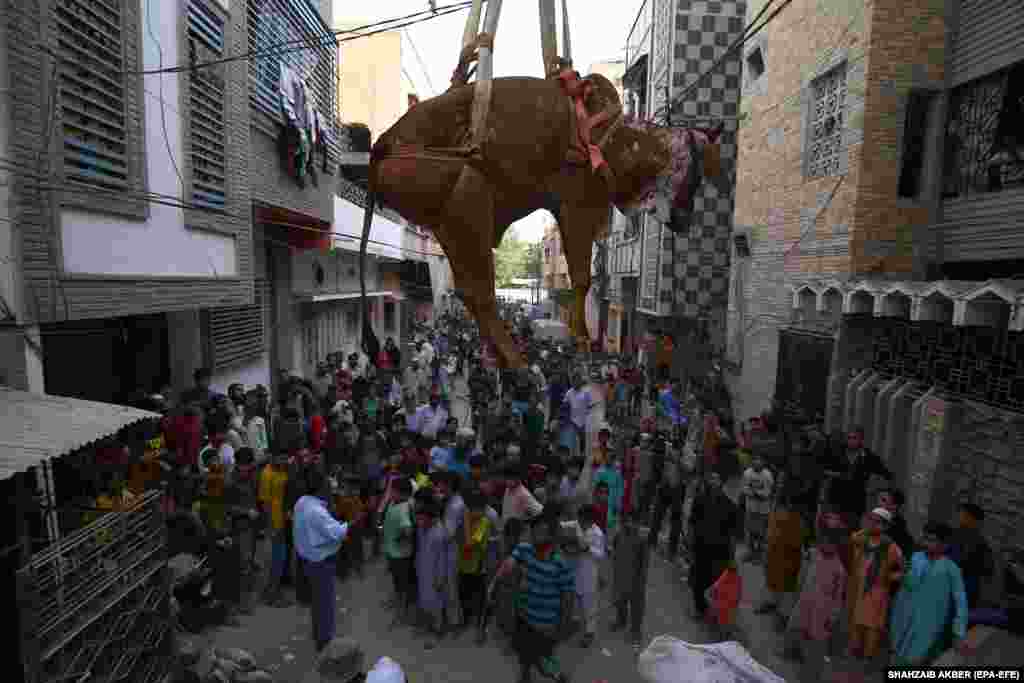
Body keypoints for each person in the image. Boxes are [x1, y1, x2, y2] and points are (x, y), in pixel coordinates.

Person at [495, 511, 574, 683]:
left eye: (541, 532)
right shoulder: (524, 549)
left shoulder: (561, 563)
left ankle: (557, 675)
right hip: (525, 617)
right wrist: (503, 572)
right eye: (534, 531)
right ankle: (525, 676)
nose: (537, 535)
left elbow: (568, 597)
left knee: (546, 658)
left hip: (547, 623)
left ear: (551, 536)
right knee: (524, 655)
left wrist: (565, 623)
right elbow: (509, 563)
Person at [889, 521, 969, 667]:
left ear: (945, 545)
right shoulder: (915, 558)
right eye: (925, 538)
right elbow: (908, 585)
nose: (926, 543)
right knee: (897, 659)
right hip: (903, 620)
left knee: (917, 660)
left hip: (929, 625)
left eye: (931, 540)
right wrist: (901, 576)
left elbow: (961, 601)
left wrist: (959, 632)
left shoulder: (951, 569)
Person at [293, 467, 349, 653]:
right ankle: (325, 643)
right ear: (321, 487)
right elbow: (336, 533)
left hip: (308, 560)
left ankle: (319, 635)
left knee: (317, 603)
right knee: (325, 604)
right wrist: (350, 523)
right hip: (320, 563)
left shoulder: (302, 502)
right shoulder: (316, 511)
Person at [846, 507, 905, 662]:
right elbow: (853, 539)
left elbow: (902, 570)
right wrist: (865, 530)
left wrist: (888, 578)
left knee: (872, 627)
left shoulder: (891, 547)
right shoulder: (861, 540)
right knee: (856, 621)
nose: (873, 525)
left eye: (877, 523)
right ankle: (854, 654)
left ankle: (867, 657)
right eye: (871, 521)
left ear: (886, 527)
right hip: (859, 588)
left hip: (878, 592)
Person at [793, 521, 847, 683]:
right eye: (822, 541)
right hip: (806, 608)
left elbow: (838, 598)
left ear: (836, 546)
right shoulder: (814, 555)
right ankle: (804, 674)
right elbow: (804, 580)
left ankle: (812, 677)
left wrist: (832, 618)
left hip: (822, 616)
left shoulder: (839, 570)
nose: (825, 545)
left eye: (829, 543)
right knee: (804, 644)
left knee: (816, 650)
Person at [689, 472, 740, 619]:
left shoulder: (730, 506)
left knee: (715, 582)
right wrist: (690, 544)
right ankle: (700, 610)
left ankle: (714, 611)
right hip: (700, 547)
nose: (713, 481)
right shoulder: (699, 500)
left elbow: (732, 535)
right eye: (711, 478)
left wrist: (732, 557)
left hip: (720, 551)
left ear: (721, 482)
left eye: (716, 478)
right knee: (698, 581)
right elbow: (692, 523)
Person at [611, 511, 650, 651]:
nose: (628, 524)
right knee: (620, 601)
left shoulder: (642, 539)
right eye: (626, 521)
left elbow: (644, 563)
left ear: (637, 523)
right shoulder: (619, 535)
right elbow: (614, 552)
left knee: (636, 606)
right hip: (621, 576)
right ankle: (621, 621)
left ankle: (635, 632)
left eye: (632, 521)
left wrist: (640, 580)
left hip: (636, 579)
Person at [458, 488, 494, 639]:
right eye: (472, 509)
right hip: (463, 565)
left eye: (478, 509)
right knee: (464, 595)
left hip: (478, 567)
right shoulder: (464, 519)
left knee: (480, 599)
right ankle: (466, 620)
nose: (475, 513)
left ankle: (481, 628)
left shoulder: (484, 523)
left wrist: (467, 521)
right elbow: (458, 539)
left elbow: (469, 544)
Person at [415, 495, 448, 650]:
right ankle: (430, 627)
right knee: (427, 601)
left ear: (431, 518)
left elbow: (442, 560)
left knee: (436, 604)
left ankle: (437, 631)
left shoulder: (439, 534)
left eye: (422, 519)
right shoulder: (423, 529)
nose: (419, 522)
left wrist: (440, 579)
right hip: (424, 570)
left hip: (435, 575)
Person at [572, 503, 606, 648]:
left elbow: (601, 554)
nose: (580, 522)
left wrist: (588, 549)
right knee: (577, 601)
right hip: (576, 570)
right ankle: (577, 626)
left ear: (590, 520)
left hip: (590, 573)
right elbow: (563, 525)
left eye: (583, 520)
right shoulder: (576, 525)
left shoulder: (598, 534)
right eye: (579, 519)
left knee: (590, 606)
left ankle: (589, 633)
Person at [382, 478, 416, 625]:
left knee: (402, 584)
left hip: (401, 555)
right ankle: (399, 604)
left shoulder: (404, 507)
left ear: (403, 494)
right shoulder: (394, 503)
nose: (390, 493)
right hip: (392, 551)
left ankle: (402, 612)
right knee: (397, 581)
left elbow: (408, 530)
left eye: (393, 491)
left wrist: (399, 537)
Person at [950, 502, 994, 609]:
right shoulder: (957, 535)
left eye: (962, 514)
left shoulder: (975, 540)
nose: (959, 517)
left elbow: (987, 569)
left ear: (971, 518)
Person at [741, 455, 774, 563]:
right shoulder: (747, 473)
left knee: (761, 533)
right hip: (751, 507)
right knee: (750, 531)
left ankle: (759, 555)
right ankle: (750, 552)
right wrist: (755, 493)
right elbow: (744, 488)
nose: (757, 462)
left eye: (759, 460)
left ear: (763, 462)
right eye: (755, 460)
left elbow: (768, 492)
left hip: (763, 509)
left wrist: (756, 493)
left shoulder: (767, 475)